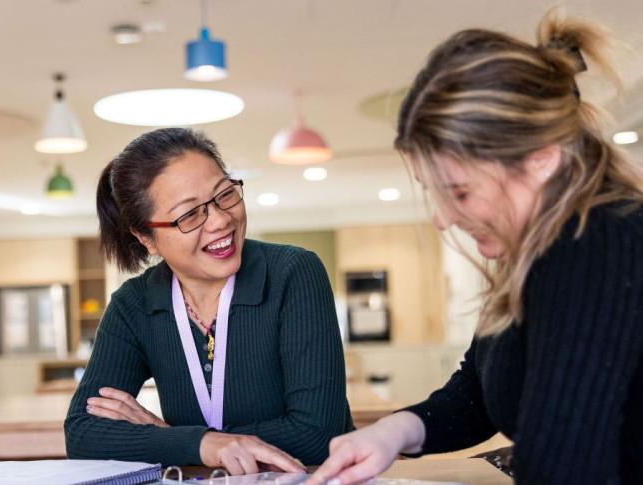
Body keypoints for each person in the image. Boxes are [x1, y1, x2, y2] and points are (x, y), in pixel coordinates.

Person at [311, 11, 643, 485]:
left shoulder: (597, 245)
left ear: (542, 160)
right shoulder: (533, 250)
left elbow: (565, 466)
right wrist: (392, 431)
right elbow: (479, 394)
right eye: (435, 193)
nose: (444, 218)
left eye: (460, 192)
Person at [64, 127, 354, 475]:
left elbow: (318, 434)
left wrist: (171, 438)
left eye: (225, 194)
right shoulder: (135, 305)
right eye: (189, 215)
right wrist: (201, 444)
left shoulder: (292, 273)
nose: (220, 220)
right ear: (147, 238)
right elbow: (82, 433)